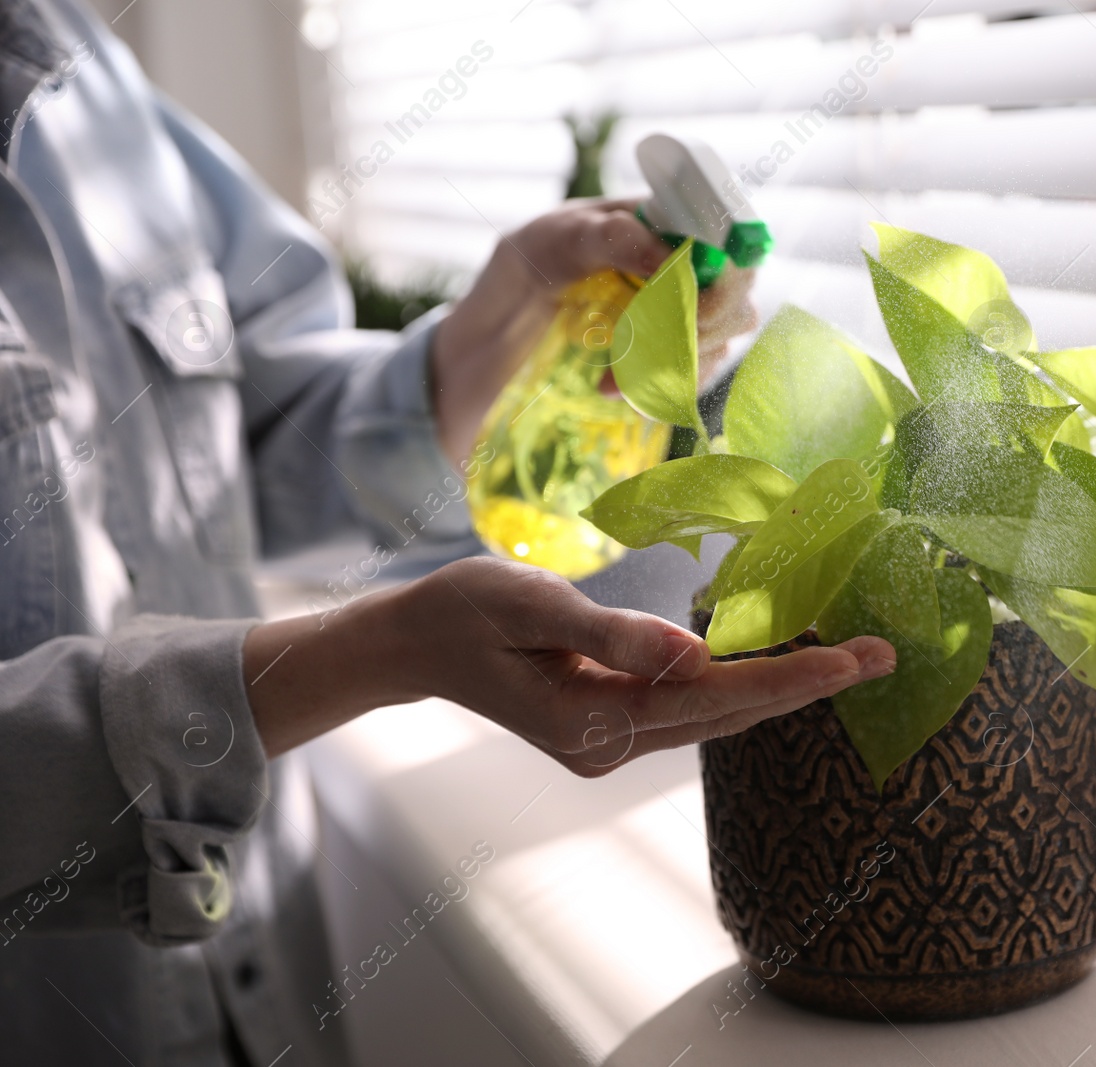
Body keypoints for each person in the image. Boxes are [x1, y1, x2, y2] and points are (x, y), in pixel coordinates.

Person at [0, 1, 897, 1064]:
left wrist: (497, 329)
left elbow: (232, 452)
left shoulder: (80, 76)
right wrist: (364, 656)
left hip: (260, 986)